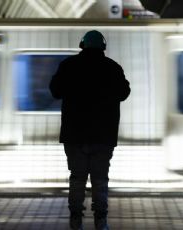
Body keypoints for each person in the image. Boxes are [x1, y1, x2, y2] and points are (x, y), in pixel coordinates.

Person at [49, 30, 130, 230]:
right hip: (103, 135)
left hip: (74, 135)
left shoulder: (68, 66)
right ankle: (101, 220)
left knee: (77, 178)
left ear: (82, 45)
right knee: (100, 179)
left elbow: (55, 91)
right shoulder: (112, 68)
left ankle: (75, 219)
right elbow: (124, 92)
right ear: (103, 47)